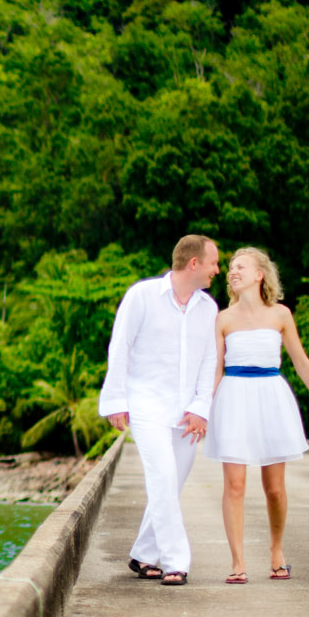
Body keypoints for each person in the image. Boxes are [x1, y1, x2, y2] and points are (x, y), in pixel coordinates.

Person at [204, 247, 309, 583]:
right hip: (233, 398)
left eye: (241, 266)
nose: (233, 272)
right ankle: (238, 562)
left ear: (259, 274)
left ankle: (277, 550)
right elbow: (215, 370)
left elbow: (300, 361)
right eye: (230, 268)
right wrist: (203, 411)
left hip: (271, 398)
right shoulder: (223, 319)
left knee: (274, 488)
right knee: (235, 484)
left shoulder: (281, 314)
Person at [100, 235, 221, 586]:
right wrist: (116, 401)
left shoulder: (208, 308)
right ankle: (176, 561)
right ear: (194, 263)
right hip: (146, 404)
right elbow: (120, 347)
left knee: (171, 485)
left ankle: (143, 555)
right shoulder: (142, 296)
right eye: (213, 262)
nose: (217, 270)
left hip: (186, 413)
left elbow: (209, 361)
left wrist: (201, 408)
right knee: (163, 477)